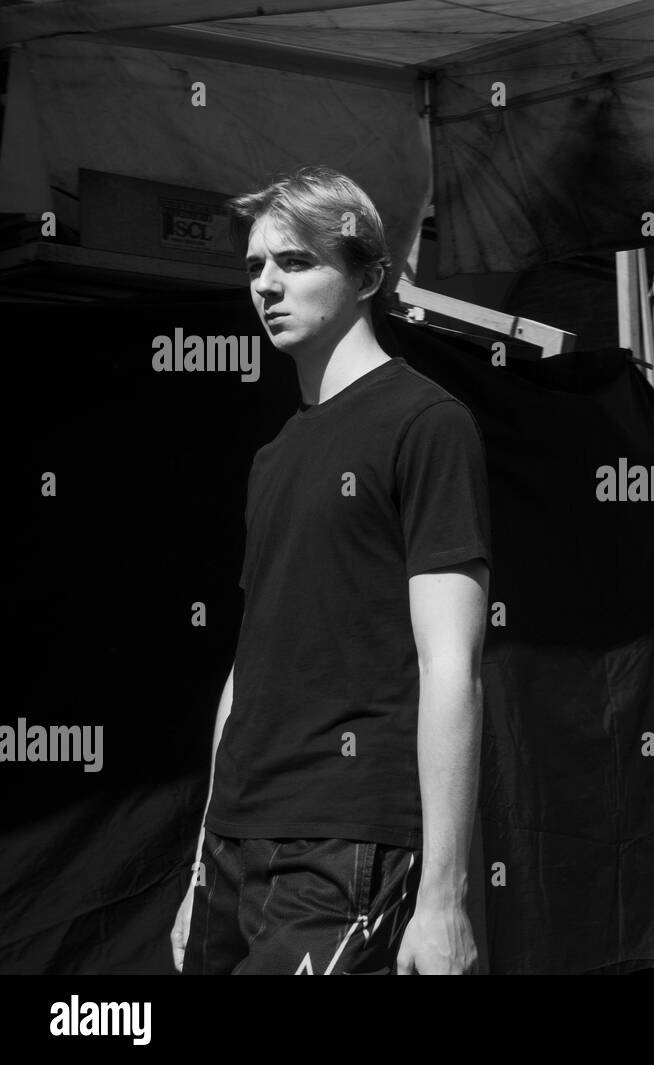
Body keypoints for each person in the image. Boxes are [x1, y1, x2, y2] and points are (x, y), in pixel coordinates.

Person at [169, 166, 492, 974]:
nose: (267, 286)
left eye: (296, 262)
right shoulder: (275, 454)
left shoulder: (428, 423)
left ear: (369, 276)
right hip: (235, 838)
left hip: (347, 835)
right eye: (255, 267)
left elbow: (452, 662)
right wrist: (202, 857)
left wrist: (445, 895)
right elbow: (250, 665)